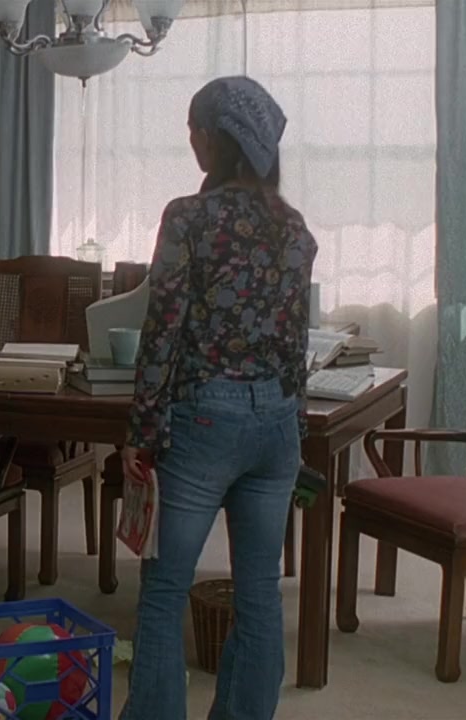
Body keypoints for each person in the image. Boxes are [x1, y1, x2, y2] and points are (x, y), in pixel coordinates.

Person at [119, 76, 317, 720]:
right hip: (276, 425)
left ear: (214, 138)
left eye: (194, 129)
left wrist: (142, 432)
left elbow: (162, 331)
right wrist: (295, 432)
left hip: (204, 420)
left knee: (165, 589)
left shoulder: (189, 218)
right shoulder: (294, 228)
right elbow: (296, 342)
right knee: (259, 595)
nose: (191, 141)